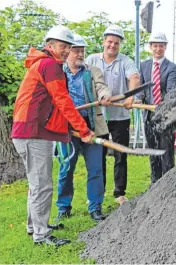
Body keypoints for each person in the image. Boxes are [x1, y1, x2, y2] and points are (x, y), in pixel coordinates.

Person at [11, 26, 95, 246]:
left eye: (69, 46)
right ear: (50, 46)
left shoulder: (42, 63)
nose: (66, 50)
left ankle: (35, 227)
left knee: (36, 183)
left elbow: (53, 106)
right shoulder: (49, 65)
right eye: (63, 46)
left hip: (30, 131)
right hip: (32, 133)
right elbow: (63, 101)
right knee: (42, 185)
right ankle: (41, 235)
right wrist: (84, 129)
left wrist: (70, 129)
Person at [55, 34, 111, 222]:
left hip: (91, 127)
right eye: (76, 50)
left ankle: (95, 207)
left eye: (82, 51)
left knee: (95, 169)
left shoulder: (92, 71)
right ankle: (63, 207)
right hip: (67, 128)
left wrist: (104, 96)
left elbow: (102, 87)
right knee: (66, 168)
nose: (80, 54)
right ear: (68, 51)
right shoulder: (58, 72)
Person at [86, 25, 140, 205]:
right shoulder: (92, 59)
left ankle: (119, 193)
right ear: (104, 42)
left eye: (116, 43)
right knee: (98, 155)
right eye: (109, 42)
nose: (112, 45)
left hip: (120, 116)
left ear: (120, 44)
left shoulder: (125, 61)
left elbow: (134, 78)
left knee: (120, 155)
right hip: (98, 117)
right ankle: (98, 193)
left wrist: (130, 96)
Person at [137, 32, 176, 183]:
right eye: (155, 46)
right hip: (149, 115)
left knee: (166, 151)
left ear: (165, 47)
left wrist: (161, 107)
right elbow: (142, 88)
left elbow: (171, 92)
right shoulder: (144, 66)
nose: (158, 49)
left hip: (166, 116)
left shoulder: (172, 68)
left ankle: (168, 183)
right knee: (153, 150)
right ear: (150, 47)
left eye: (161, 46)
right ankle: (155, 183)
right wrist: (138, 99)